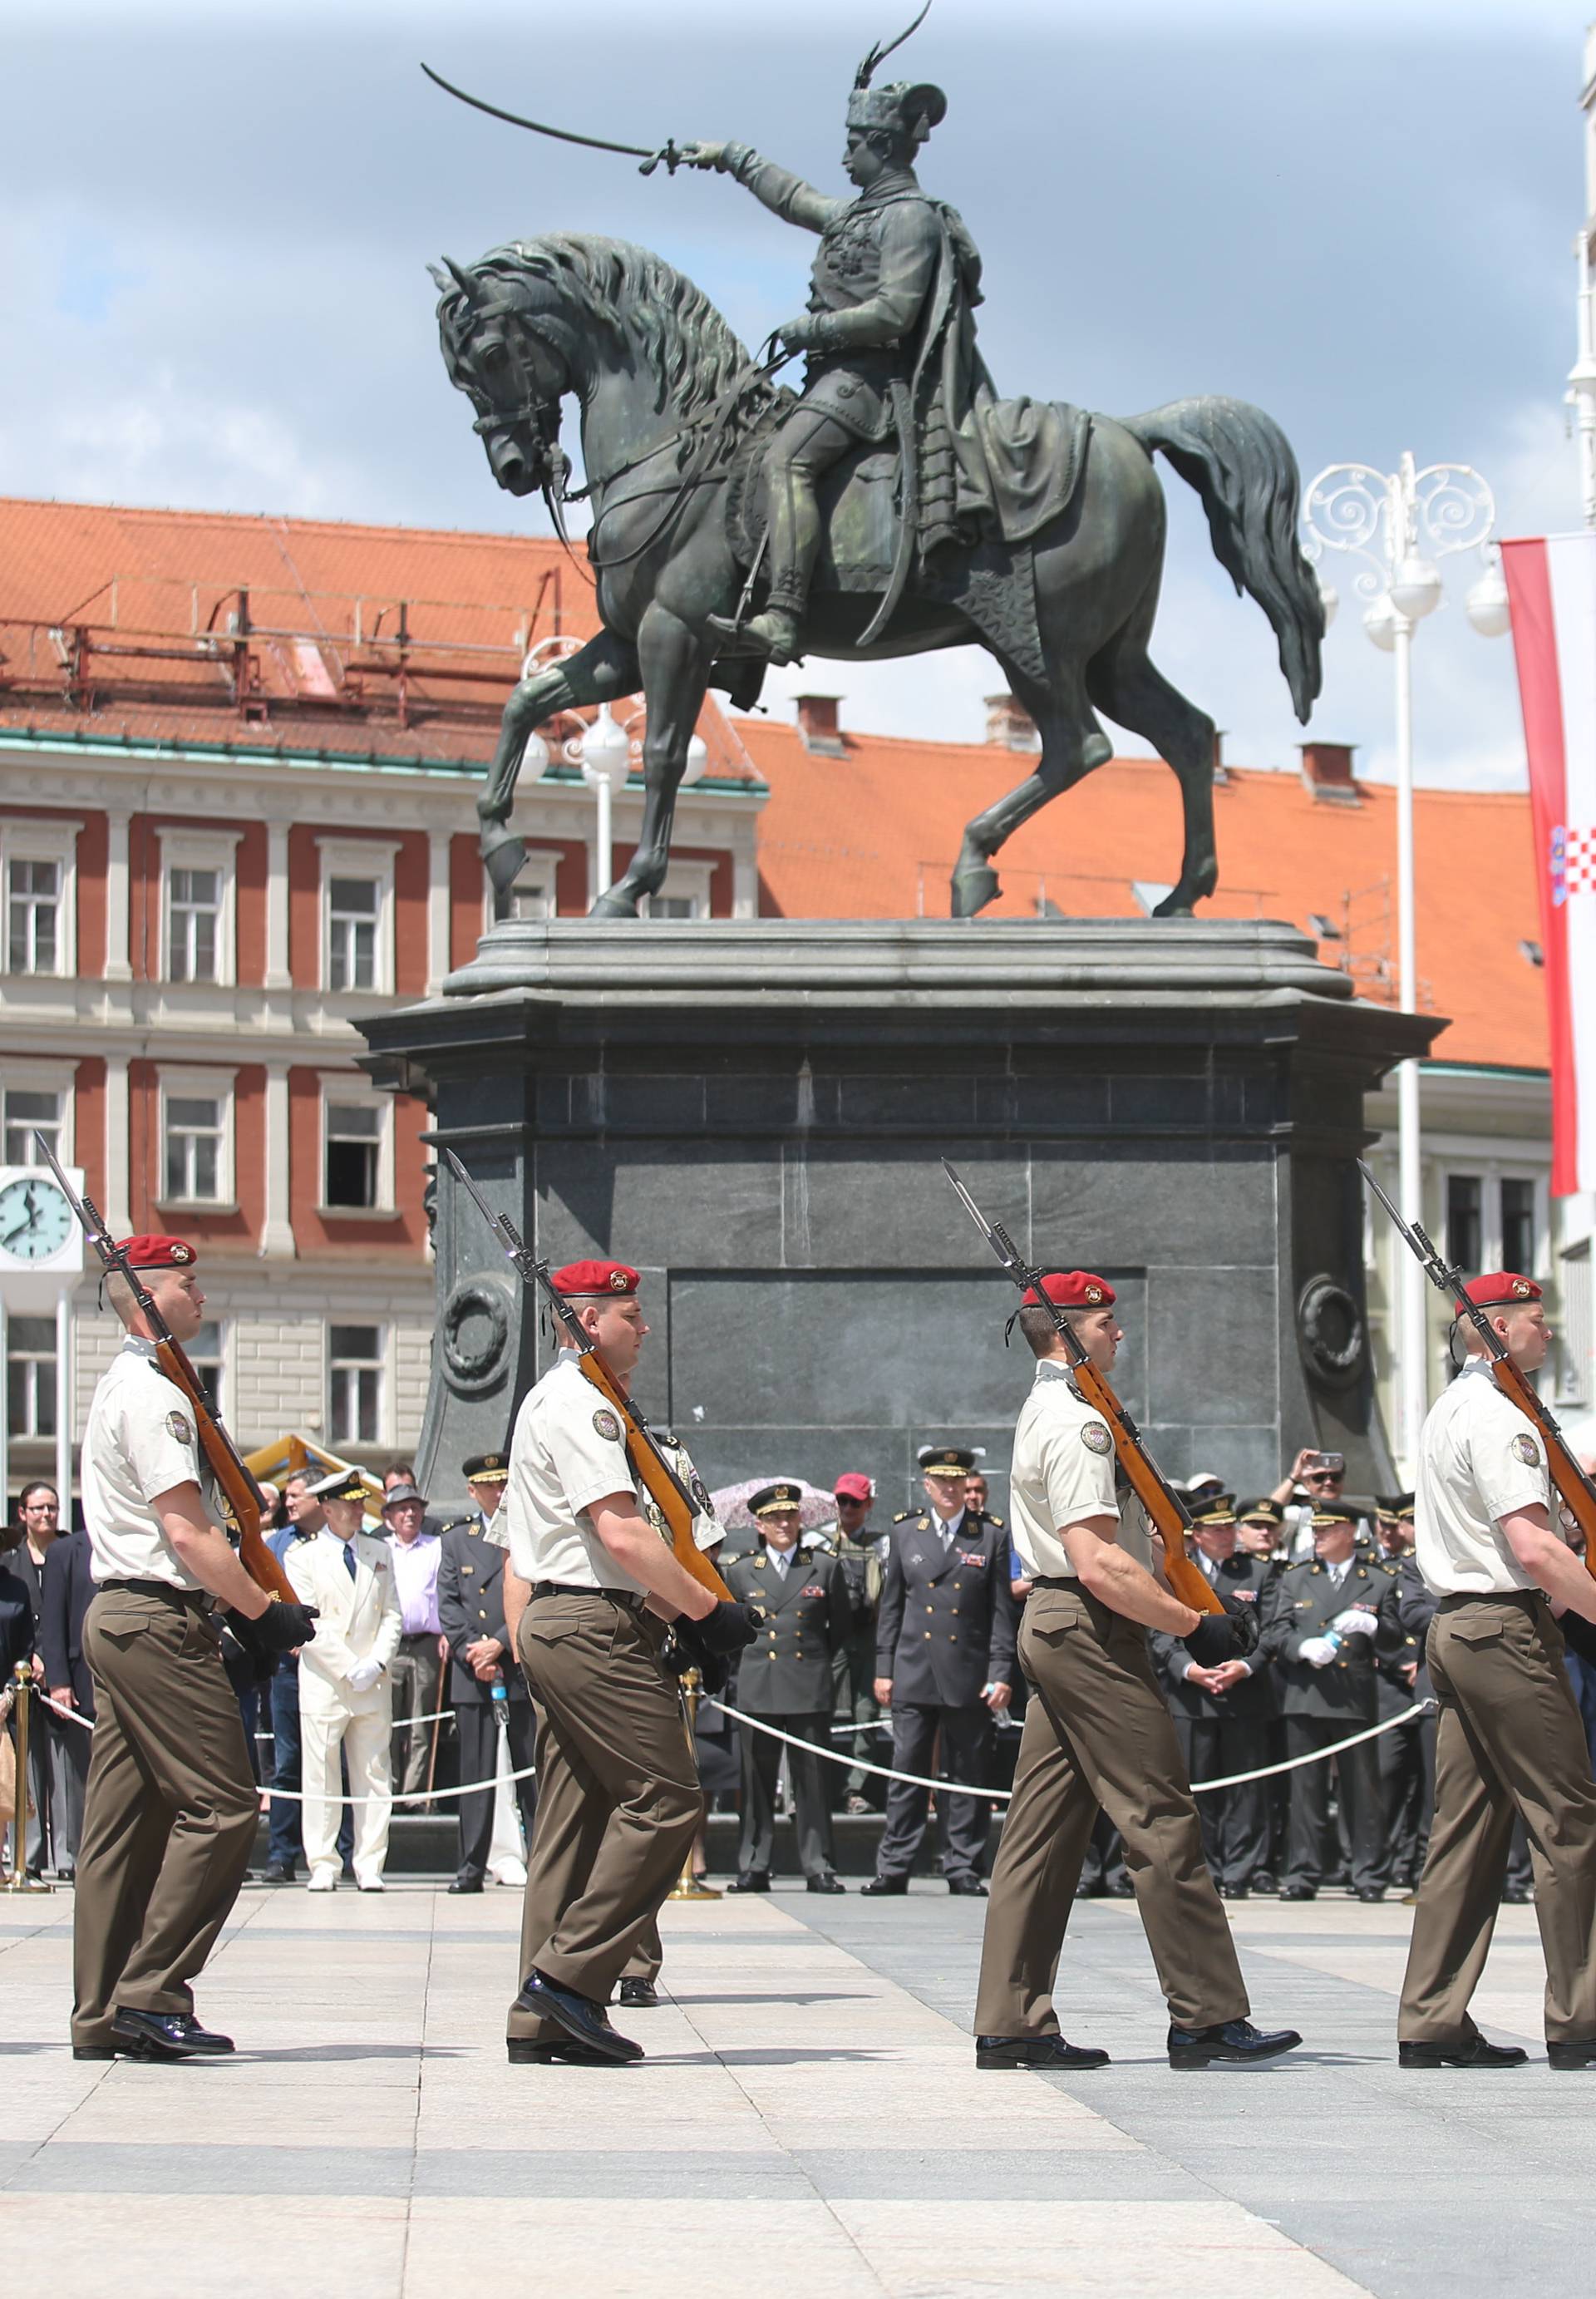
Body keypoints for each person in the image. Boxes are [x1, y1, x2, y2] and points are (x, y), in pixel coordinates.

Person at [972, 1270, 1301, 2072]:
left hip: (1058, 1623)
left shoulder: (1053, 1408)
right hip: (1089, 1626)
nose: (1120, 1333)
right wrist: (1195, 1624)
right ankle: (1207, 2014)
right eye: (1105, 1321)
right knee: (1159, 1815)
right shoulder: (1078, 1421)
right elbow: (1098, 1561)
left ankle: (1012, 2018)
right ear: (1067, 1330)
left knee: (1041, 1830)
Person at [497, 1259, 757, 2066]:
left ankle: (542, 2015)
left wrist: (669, 1616)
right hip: (588, 1623)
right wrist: (707, 1611)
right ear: (583, 1320)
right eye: (628, 1313)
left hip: (580, 1617)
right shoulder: (581, 1405)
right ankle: (568, 1980)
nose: (644, 1326)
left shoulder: (584, 1401)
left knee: (574, 1821)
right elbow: (621, 1533)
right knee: (667, 1799)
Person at [71, 1235, 317, 2060]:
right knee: (221, 1806)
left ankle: (102, 2008)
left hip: (120, 1615)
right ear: (146, 1296)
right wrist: (262, 1612)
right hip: (157, 1620)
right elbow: (186, 1529)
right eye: (186, 1279)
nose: (200, 1291)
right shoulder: (155, 1397)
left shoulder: (135, 1384)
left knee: (121, 1824)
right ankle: (152, 1991)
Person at [685, 67, 982, 664]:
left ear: (881, 146)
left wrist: (813, 327)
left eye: (853, 144)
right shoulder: (860, 213)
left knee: (785, 459)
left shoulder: (910, 218)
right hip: (831, 380)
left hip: (868, 384)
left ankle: (786, 615)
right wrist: (728, 156)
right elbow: (794, 198)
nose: (844, 155)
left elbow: (895, 312)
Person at [1397, 1272, 1596, 2070]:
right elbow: (1537, 1547)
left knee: (1469, 1830)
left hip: (1457, 1627)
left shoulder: (1451, 1407)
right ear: (1501, 1331)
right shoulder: (1502, 1417)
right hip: (1504, 1628)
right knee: (1568, 1819)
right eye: (1537, 1321)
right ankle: (1581, 2016)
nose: (1548, 1333)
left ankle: (1433, 2017)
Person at [864, 1444, 1017, 1897]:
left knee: (968, 1772)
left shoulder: (990, 1534)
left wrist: (1002, 1670)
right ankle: (894, 1866)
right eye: (941, 1481)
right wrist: (883, 1667)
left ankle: (963, 1866)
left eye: (957, 1481)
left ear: (968, 1486)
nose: (950, 1489)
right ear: (927, 1486)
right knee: (907, 1769)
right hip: (913, 1668)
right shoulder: (907, 1532)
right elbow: (890, 1607)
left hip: (968, 1672)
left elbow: (1001, 1614)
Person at [1258, 1503, 1397, 1903]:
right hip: (1306, 1696)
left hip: (1354, 1697)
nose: (1317, 1536)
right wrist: (1302, 1647)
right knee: (1306, 1792)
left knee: (1362, 1790)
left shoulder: (1377, 1580)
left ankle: (1369, 1873)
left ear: (1350, 1532)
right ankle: (1303, 1872)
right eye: (1315, 1530)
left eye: (1328, 1529)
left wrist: (1374, 1626)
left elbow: (1396, 1639)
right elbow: (1277, 1630)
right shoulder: (1298, 1578)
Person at [724, 1482, 851, 1893]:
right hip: (759, 1685)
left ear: (801, 1519)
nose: (783, 1523)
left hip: (807, 1683)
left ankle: (819, 1865)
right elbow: (730, 1635)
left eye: (789, 1515)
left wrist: (821, 1673)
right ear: (759, 1526)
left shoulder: (825, 1567)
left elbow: (841, 1632)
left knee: (812, 1781)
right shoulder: (741, 1571)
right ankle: (754, 1863)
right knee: (756, 1781)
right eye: (774, 1518)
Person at [1148, 1497, 1278, 1901]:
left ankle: (1240, 1869)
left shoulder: (1260, 1571)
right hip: (1192, 1697)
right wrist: (1189, 1668)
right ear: (1197, 1534)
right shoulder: (1175, 1571)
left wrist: (1246, 1665)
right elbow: (1160, 1627)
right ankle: (1202, 1868)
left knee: (1244, 1789)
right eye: (1217, 1529)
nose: (1226, 1536)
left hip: (1243, 1695)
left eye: (1230, 1528)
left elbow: (1275, 1625)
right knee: (1195, 1787)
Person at [287, 1467, 401, 1892]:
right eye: (349, 1503)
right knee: (320, 1773)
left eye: (359, 1502)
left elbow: (392, 1613)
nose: (357, 1510)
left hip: (371, 1682)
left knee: (374, 1772)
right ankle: (322, 1862)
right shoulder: (303, 1557)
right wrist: (348, 1665)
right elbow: (307, 1620)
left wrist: (375, 1662)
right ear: (328, 1508)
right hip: (327, 1681)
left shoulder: (379, 1552)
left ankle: (370, 1862)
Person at [438, 1453, 536, 1894]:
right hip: (472, 1669)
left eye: (503, 1484)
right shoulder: (456, 1539)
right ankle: (470, 1865)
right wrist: (473, 1651)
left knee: (530, 1769)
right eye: (489, 1486)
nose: (498, 1493)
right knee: (475, 1773)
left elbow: (534, 1591)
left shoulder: (526, 1531)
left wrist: (501, 1640)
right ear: (472, 1491)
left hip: (517, 1662)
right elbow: (448, 1603)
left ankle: (541, 1861)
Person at [259, 1472, 352, 1884]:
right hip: (288, 1669)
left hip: (337, 1666)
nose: (289, 1502)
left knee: (342, 1760)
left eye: (296, 1495)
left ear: (321, 1500)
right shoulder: (276, 1544)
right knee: (290, 1761)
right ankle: (282, 1853)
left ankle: (345, 1852)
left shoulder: (352, 1542)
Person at [382, 1480, 446, 1798]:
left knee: (423, 1721)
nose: (410, 1514)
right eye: (402, 1509)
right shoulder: (379, 1549)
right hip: (390, 1646)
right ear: (389, 1516)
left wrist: (446, 1631)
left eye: (415, 1508)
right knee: (389, 1722)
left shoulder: (436, 1547)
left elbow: (447, 1593)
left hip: (426, 1645)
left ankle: (416, 1793)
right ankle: (390, 1789)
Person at [38, 1517, 96, 1877]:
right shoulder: (65, 1551)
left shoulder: (141, 1544)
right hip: (80, 1682)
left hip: (132, 1680)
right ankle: (77, 1859)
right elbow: (52, 1621)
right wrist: (58, 1682)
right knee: (78, 1774)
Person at [12, 1482, 64, 1877]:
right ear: (23, 1514)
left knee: (65, 1771)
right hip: (22, 1680)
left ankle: (67, 1856)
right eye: (37, 1508)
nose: (45, 1515)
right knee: (26, 1771)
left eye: (52, 1508)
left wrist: (51, 1659)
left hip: (62, 1675)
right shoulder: (12, 1564)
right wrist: (27, 1658)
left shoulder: (72, 1554)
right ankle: (27, 1858)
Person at [830, 1472, 886, 1813]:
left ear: (869, 1505)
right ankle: (806, 1786)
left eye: (855, 1502)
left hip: (869, 1635)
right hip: (832, 1635)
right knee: (817, 1708)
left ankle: (857, 1788)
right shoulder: (821, 1542)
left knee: (866, 1713)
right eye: (842, 1501)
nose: (848, 1508)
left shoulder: (882, 1544)